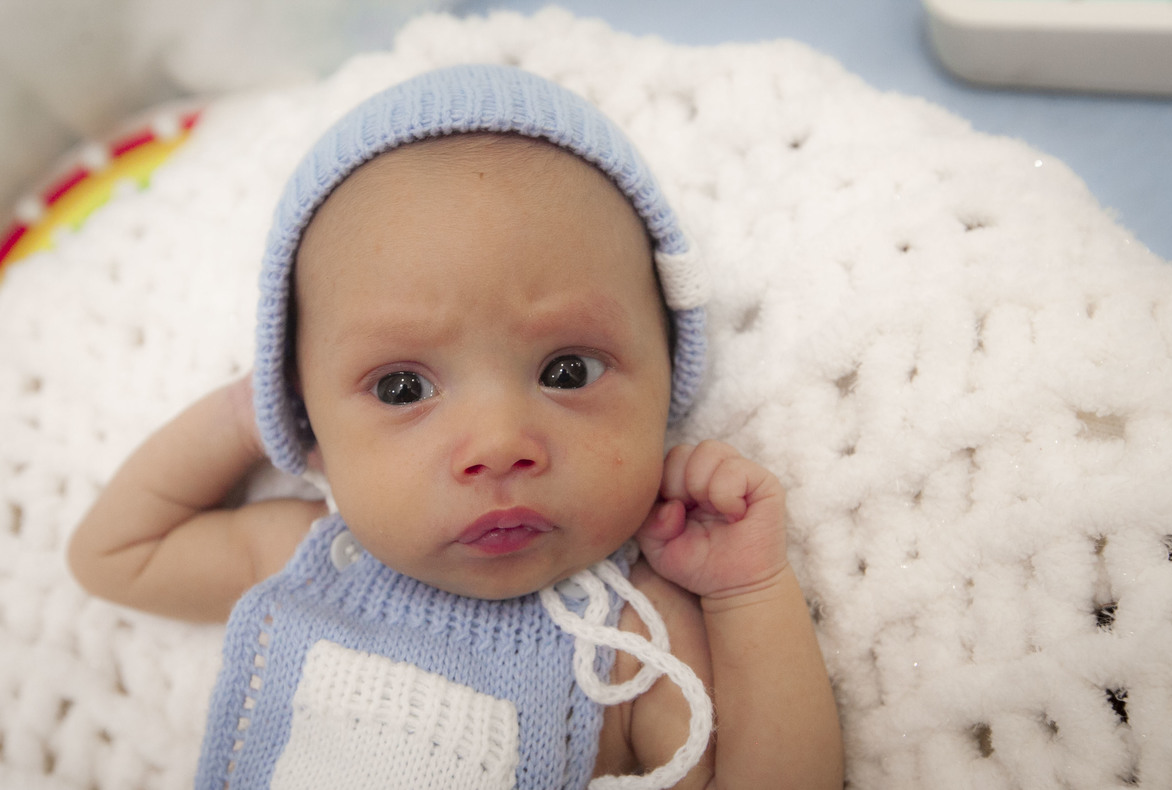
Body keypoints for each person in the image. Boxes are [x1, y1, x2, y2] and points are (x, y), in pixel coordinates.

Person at [68, 64, 842, 789]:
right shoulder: (306, 558)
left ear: (667, 376)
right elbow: (113, 554)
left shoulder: (630, 635)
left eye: (566, 372)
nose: (500, 443)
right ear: (310, 414)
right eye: (402, 387)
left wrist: (749, 592)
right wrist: (247, 411)